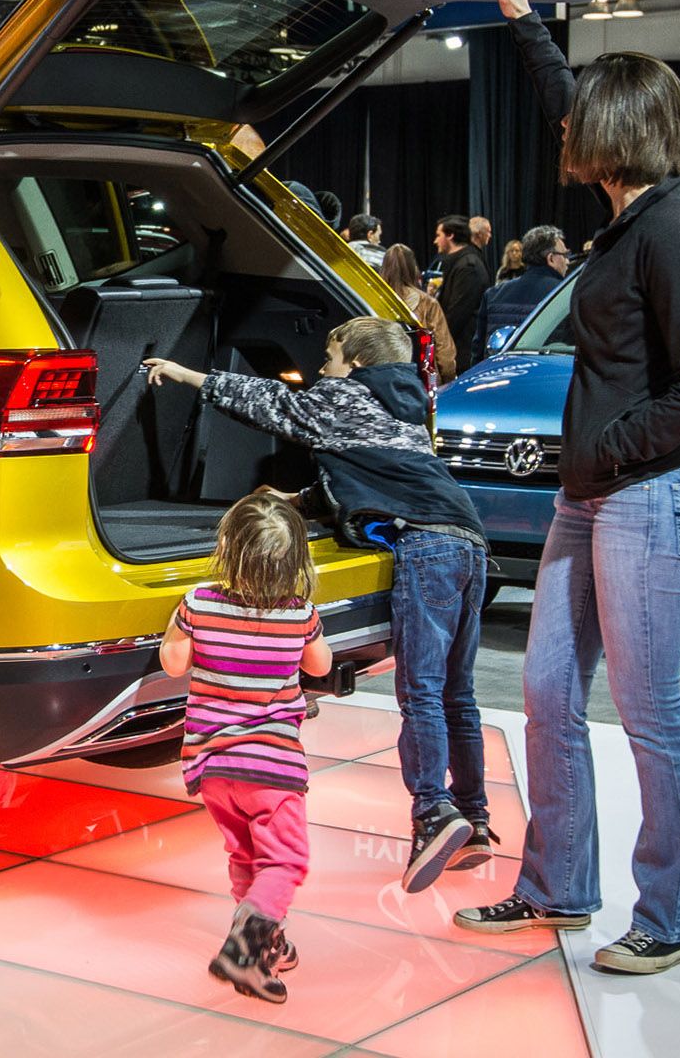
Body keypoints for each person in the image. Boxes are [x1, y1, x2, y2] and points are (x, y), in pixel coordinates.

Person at [454, 0, 680, 977]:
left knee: (647, 714)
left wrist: (605, 452)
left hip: (649, 496)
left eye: (584, 120)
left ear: (620, 132)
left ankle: (673, 912)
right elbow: (559, 94)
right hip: (596, 496)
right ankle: (557, 887)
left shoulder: (668, 233)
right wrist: (520, 14)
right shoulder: (626, 222)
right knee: (544, 695)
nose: (566, 129)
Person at [149, 316, 495, 892]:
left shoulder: (345, 392)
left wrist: (188, 375)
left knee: (422, 693)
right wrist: (298, 500)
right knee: (458, 693)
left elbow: (273, 403)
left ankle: (432, 811)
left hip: (427, 549)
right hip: (468, 542)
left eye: (330, 359)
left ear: (354, 363)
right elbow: (372, 467)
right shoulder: (405, 400)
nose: (321, 371)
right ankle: (474, 818)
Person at [160, 492, 330, 1005]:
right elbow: (320, 666)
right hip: (271, 768)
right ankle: (246, 950)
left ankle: (268, 939)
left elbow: (173, 663)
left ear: (228, 548)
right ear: (297, 560)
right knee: (286, 861)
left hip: (211, 766)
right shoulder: (300, 614)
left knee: (246, 855)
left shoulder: (199, 604)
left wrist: (177, 625)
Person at [378, 245, 457, 382]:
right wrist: (448, 382)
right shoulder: (428, 303)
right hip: (423, 383)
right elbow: (445, 353)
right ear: (412, 267)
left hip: (383, 382)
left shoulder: (372, 303)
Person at [482, 225, 571, 345]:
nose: (568, 261)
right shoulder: (568, 295)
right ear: (551, 259)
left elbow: (479, 350)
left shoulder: (492, 294)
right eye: (565, 255)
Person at [433, 215, 491, 373]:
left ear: (450, 235)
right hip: (458, 351)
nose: (435, 241)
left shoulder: (468, 267)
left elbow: (457, 315)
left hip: (463, 355)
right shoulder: (462, 263)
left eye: (439, 235)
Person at [469, 215, 498, 280]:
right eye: (488, 232)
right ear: (479, 234)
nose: (490, 235)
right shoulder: (471, 256)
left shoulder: (474, 254)